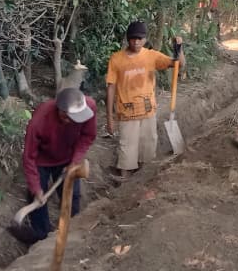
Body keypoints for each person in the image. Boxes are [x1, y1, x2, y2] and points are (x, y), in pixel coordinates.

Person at [105, 21, 185, 176]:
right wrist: (109, 117)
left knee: (148, 150)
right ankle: (125, 185)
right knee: (127, 149)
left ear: (145, 39)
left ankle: (142, 183)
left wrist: (179, 48)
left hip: (148, 112)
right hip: (126, 113)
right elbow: (111, 88)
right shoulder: (116, 59)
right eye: (133, 38)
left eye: (140, 39)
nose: (136, 42)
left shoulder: (151, 56)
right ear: (128, 39)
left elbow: (178, 64)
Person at [21, 87, 96, 241]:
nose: (77, 121)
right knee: (37, 201)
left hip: (68, 157)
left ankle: (71, 230)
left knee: (72, 196)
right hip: (41, 161)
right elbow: (29, 157)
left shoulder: (88, 107)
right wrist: (36, 188)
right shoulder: (39, 121)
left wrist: (75, 161)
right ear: (62, 113)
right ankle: (42, 238)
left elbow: (88, 136)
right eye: (73, 118)